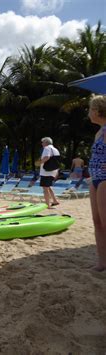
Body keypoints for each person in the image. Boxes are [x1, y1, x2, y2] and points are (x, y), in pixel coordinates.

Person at [88, 95, 106, 272]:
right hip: (94, 177)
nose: (88, 113)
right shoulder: (99, 132)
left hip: (105, 178)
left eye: (90, 109)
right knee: (97, 221)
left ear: (98, 110)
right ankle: (102, 262)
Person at [39, 137, 61, 209]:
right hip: (53, 171)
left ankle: (47, 205)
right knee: (48, 186)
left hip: (46, 171)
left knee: (45, 188)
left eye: (42, 142)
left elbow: (47, 157)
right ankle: (54, 201)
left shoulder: (47, 148)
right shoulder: (55, 149)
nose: (42, 144)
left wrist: (39, 162)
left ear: (46, 142)